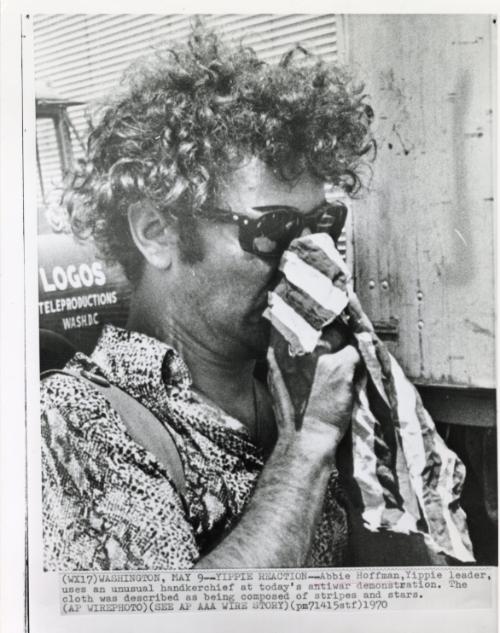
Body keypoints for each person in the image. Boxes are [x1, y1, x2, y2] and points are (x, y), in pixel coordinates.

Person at [40, 24, 460, 570]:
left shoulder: (302, 385)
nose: (314, 262)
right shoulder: (77, 422)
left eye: (323, 226)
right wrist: (306, 450)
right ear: (155, 231)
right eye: (276, 230)